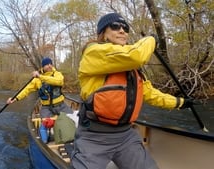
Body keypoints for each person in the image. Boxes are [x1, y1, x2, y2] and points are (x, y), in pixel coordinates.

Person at [71, 13, 195, 169]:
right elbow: (136, 56)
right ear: (103, 34)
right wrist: (150, 40)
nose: (122, 30)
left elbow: (150, 94)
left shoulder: (130, 66)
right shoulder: (93, 53)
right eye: (115, 26)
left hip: (125, 135)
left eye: (125, 28)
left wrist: (180, 102)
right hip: (94, 136)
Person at [7, 57, 73, 118]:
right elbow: (26, 90)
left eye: (50, 64)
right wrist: (15, 98)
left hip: (61, 105)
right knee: (45, 126)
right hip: (46, 108)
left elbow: (59, 81)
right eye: (47, 64)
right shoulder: (36, 80)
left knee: (72, 120)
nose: (49, 65)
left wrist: (40, 77)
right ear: (43, 66)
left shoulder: (57, 74)